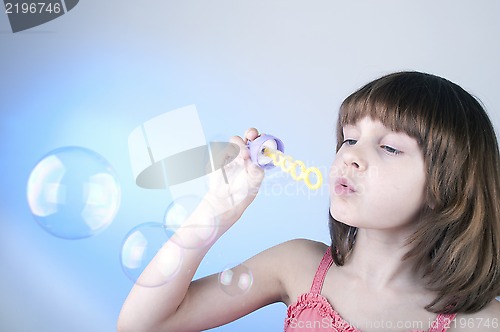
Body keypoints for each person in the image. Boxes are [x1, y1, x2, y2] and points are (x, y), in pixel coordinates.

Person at [117, 71, 500, 331]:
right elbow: (143, 325)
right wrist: (218, 208)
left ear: (445, 184)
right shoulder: (298, 265)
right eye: (349, 139)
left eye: (388, 147)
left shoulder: (484, 320)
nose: (350, 155)